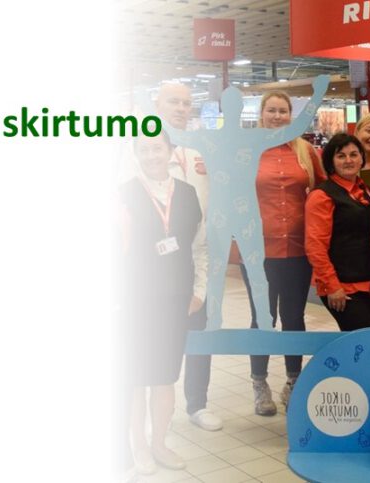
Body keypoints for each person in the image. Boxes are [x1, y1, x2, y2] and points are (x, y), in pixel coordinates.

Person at [117, 132, 205, 475]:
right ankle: (138, 444)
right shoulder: (123, 194)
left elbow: (199, 246)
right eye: (144, 149)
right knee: (137, 376)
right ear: (136, 154)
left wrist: (199, 291)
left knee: (165, 375)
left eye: (157, 148)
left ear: (170, 151)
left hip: (176, 300)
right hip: (136, 300)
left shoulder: (187, 193)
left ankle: (159, 443)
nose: (152, 155)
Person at [240, 90, 326, 416]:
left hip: (298, 249)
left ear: (292, 116)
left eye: (283, 111)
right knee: (263, 318)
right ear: (261, 114)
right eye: (272, 110)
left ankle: (293, 381)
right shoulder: (246, 151)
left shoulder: (306, 151)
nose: (277, 116)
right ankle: (259, 383)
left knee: (294, 317)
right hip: (258, 250)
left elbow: (323, 189)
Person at [154, 82, 222, 432]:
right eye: (173, 102)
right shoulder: (143, 148)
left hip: (197, 256)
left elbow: (213, 198)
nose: (181, 109)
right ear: (157, 105)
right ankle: (154, 407)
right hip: (156, 264)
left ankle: (197, 403)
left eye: (186, 103)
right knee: (156, 337)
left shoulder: (199, 149)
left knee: (199, 332)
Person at [305, 133, 370, 331]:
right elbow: (315, 246)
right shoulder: (322, 196)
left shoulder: (367, 191)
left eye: (353, 154)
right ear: (331, 161)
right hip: (343, 286)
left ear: (362, 158)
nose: (348, 160)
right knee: (363, 338)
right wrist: (332, 286)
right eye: (341, 156)